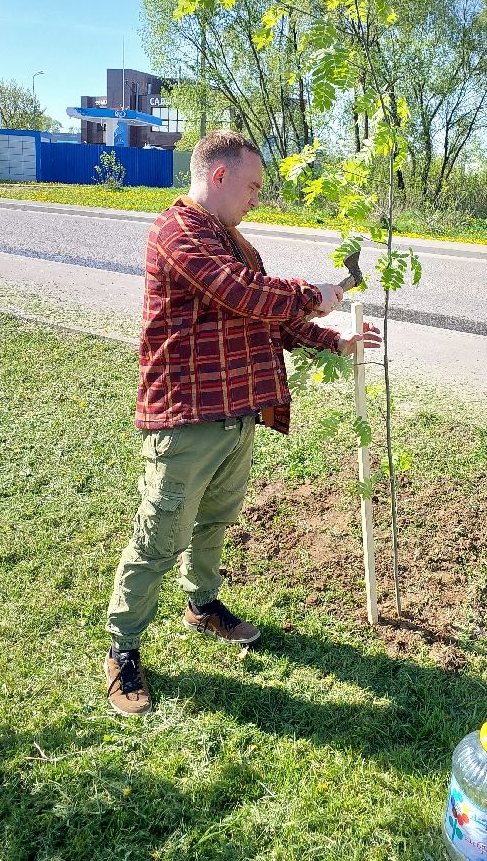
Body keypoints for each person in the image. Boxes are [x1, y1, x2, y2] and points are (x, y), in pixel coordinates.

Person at [105, 129, 382, 715]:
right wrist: (313, 292)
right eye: (253, 185)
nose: (258, 197)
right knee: (160, 536)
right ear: (220, 174)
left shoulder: (234, 242)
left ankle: (202, 604)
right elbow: (241, 294)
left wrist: (334, 340)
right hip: (187, 415)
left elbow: (264, 317)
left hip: (238, 412)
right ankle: (123, 649)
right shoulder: (177, 233)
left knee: (214, 519)